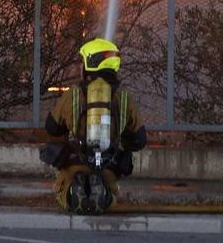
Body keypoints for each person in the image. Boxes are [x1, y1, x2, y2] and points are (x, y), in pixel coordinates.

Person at [39, 38, 147, 214]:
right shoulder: (125, 98)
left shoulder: (73, 95)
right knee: (110, 198)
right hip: (109, 169)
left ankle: (75, 192)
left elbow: (52, 127)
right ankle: (102, 193)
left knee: (63, 193)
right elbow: (139, 141)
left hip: (74, 167)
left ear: (90, 63)